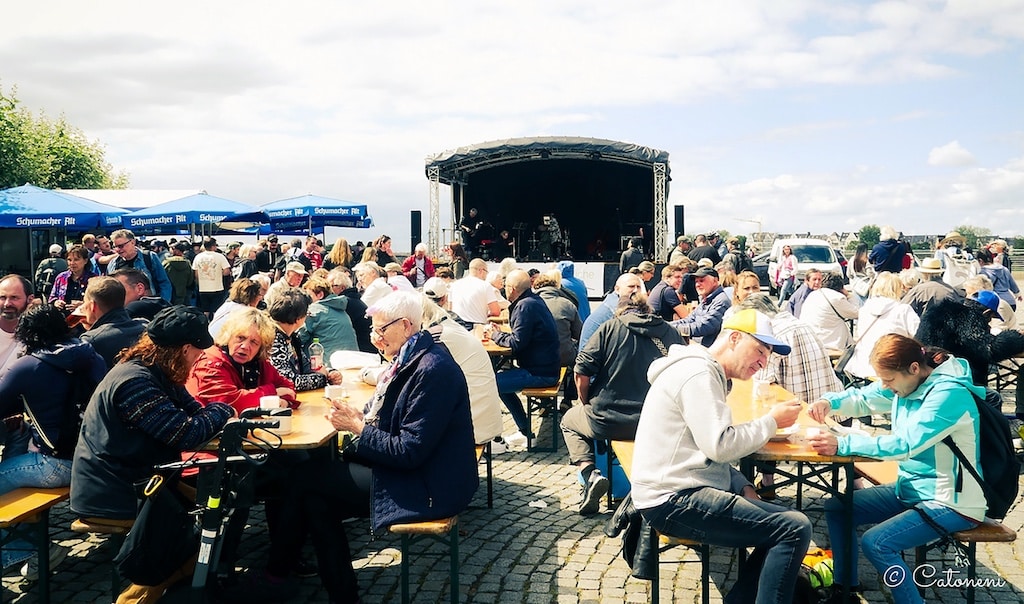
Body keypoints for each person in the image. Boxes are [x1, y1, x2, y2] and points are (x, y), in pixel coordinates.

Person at [231, 291, 478, 603]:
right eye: (373, 330)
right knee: (315, 498)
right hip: (419, 472)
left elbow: (409, 451)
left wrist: (358, 427)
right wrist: (360, 419)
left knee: (304, 478)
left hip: (430, 485)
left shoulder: (431, 369)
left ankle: (276, 576)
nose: (374, 338)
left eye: (380, 330)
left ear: (405, 326)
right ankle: (337, 593)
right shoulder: (414, 357)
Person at [632, 308, 810, 604]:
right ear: (735, 338)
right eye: (760, 350)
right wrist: (771, 422)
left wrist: (742, 484)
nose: (764, 361)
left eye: (768, 355)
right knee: (794, 528)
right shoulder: (698, 373)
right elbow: (720, 446)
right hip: (672, 498)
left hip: (672, 491)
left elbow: (709, 449)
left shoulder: (702, 369)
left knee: (787, 526)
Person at [806, 335, 986, 604]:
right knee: (839, 508)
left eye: (889, 380)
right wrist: (829, 402)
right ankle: (844, 590)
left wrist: (843, 444)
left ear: (914, 368)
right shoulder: (908, 383)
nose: (886, 387)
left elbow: (905, 445)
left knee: (878, 542)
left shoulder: (950, 394)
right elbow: (866, 398)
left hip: (952, 502)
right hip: (915, 488)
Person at [0, 305, 105, 577]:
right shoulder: (89, 354)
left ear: (26, 333)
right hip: (93, 458)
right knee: (14, 456)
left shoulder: (28, 366)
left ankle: (33, 551)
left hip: (56, 464)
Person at [564, 291, 683, 514]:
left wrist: (585, 401)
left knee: (569, 421)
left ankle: (590, 474)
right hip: (656, 422)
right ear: (648, 310)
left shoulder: (609, 328)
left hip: (607, 419)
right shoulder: (670, 332)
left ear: (619, 310)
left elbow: (581, 371)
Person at [487, 269, 561, 441]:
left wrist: (495, 335)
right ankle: (525, 431)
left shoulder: (525, 306)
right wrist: (500, 335)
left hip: (541, 373)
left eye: (505, 286)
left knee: (490, 384)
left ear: (512, 289)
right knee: (498, 382)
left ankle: (496, 438)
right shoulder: (533, 301)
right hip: (545, 367)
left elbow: (515, 344)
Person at [420, 295, 503, 446]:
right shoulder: (450, 327)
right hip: (484, 418)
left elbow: (413, 375)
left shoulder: (437, 335)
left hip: (472, 426)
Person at [187, 307, 296, 414]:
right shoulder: (211, 362)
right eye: (240, 338)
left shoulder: (258, 363)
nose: (245, 346)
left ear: (260, 348)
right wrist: (272, 393)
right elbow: (229, 403)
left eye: (254, 342)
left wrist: (284, 402)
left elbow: (288, 387)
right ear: (228, 336)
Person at [843, 272, 920, 381]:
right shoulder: (903, 309)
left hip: (863, 365)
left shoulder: (864, 309)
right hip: (893, 365)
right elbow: (918, 334)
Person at [264, 286, 342, 392]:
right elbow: (290, 381)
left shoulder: (290, 337)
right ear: (298, 319)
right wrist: (322, 379)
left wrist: (330, 373)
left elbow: (306, 366)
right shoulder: (273, 339)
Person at [79, 276, 148, 369]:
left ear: (92, 306)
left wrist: (92, 333)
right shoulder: (145, 326)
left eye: (84, 302)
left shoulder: (90, 341)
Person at [579, 273, 645, 351]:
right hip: (591, 355)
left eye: (638, 287)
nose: (636, 290)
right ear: (617, 289)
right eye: (631, 286)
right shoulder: (616, 308)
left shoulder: (617, 301)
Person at [668, 266, 732, 347]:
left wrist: (673, 329)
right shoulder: (706, 299)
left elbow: (704, 327)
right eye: (696, 282)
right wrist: (668, 325)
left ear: (715, 281)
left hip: (709, 352)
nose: (697, 285)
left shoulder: (721, 301)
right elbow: (689, 319)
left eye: (702, 281)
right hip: (698, 347)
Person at [298, 275, 358, 358]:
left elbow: (299, 338)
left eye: (309, 296)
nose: (305, 301)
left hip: (329, 364)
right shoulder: (341, 310)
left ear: (320, 295)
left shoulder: (314, 309)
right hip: (352, 360)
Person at [106, 229, 173, 302]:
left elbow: (164, 283)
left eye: (121, 246)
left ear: (133, 242)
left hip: (148, 306)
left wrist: (163, 304)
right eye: (115, 247)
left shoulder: (149, 257)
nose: (118, 250)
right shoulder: (113, 264)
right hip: (124, 309)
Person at [799, 272, 859, 351]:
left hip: (811, 340)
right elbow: (856, 313)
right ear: (841, 287)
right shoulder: (836, 298)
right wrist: (849, 295)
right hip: (830, 344)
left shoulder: (813, 294)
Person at [0, 275, 36, 374]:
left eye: (14, 298)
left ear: (30, 299)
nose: (7, 304)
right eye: (2, 298)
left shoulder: (36, 335)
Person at [449, 258, 502, 324]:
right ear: (481, 270)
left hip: (457, 326)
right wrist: (488, 314)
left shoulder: (454, 285)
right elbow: (496, 311)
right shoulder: (486, 285)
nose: (486, 276)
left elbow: (450, 309)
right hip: (477, 327)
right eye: (486, 272)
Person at [48, 244, 96, 313]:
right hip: (63, 318)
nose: (72, 263)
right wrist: (56, 302)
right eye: (69, 260)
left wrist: (83, 305)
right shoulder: (61, 277)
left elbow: (99, 304)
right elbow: (52, 298)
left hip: (85, 319)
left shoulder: (94, 279)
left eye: (76, 259)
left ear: (85, 261)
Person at [192, 238, 231, 319]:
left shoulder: (198, 257)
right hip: (217, 287)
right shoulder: (220, 256)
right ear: (213, 246)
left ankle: (205, 325)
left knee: (205, 310)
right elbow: (226, 271)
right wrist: (219, 274)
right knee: (215, 311)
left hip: (203, 288)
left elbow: (196, 274)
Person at [162, 241, 195, 306]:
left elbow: (161, 277)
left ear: (176, 250)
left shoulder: (167, 263)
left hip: (169, 293)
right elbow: (190, 280)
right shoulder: (187, 263)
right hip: (182, 293)